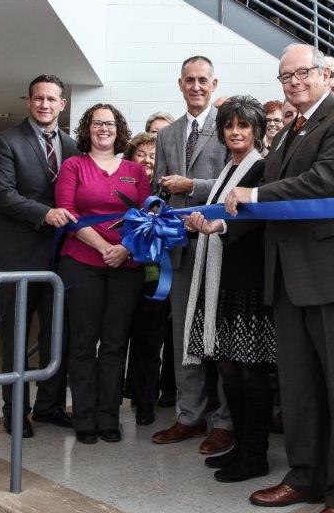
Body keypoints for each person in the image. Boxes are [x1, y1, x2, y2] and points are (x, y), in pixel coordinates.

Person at [225, 44, 334, 513]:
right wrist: (220, 221)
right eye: (285, 76)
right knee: (298, 388)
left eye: (302, 72)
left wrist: (254, 193)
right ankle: (306, 476)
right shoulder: (289, 130)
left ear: (324, 73)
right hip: (288, 279)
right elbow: (268, 205)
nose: (293, 81)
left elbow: (326, 180)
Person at [182, 97, 275, 483]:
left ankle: (256, 455)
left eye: (244, 126)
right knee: (228, 369)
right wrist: (199, 224)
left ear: (257, 130)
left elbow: (257, 217)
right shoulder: (227, 169)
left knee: (250, 372)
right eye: (229, 127)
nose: (236, 132)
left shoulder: (263, 168)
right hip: (221, 281)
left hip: (247, 283)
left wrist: (217, 227)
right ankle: (240, 446)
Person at [0, 75, 78, 437]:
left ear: (62, 104)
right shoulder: (5, 142)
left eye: (51, 99)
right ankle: (15, 412)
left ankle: (50, 406)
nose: (44, 105)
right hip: (16, 259)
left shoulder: (71, 147)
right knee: (16, 338)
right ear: (28, 102)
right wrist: (45, 213)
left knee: (59, 335)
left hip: (60, 258)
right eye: (38, 98)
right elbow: (2, 194)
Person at [151, 57, 233, 455]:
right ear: (179, 84)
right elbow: (159, 189)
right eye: (189, 81)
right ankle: (189, 415)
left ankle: (224, 421)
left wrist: (192, 185)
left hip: (218, 247)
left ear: (214, 83)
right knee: (184, 336)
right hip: (180, 252)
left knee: (220, 336)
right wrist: (157, 209)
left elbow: (236, 179)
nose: (196, 86)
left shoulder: (229, 125)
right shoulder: (167, 135)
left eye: (203, 80)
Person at [54, 104, 148, 444]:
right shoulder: (73, 166)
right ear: (87, 129)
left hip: (127, 265)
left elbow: (145, 217)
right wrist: (103, 248)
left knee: (114, 344)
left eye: (109, 123)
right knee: (82, 343)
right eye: (97, 123)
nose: (103, 129)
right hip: (81, 263)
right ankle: (84, 417)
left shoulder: (135, 170)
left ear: (118, 129)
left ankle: (109, 417)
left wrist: (123, 248)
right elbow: (68, 212)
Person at [121, 131, 167, 427]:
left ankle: (145, 399)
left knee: (149, 342)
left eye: (154, 155)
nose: (148, 160)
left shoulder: (168, 192)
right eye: (142, 154)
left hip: (157, 277)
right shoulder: (121, 189)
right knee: (117, 338)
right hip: (123, 272)